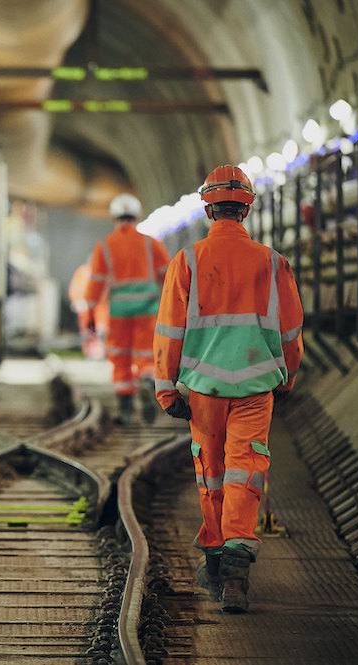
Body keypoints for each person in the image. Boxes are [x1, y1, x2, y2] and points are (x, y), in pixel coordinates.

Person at [152, 165, 303, 613]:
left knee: (212, 473)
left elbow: (168, 332)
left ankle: (216, 559)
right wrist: (287, 377)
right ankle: (236, 568)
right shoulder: (273, 262)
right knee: (247, 469)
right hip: (256, 387)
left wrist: (166, 390)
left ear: (207, 208)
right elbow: (291, 330)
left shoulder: (188, 261)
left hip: (203, 390)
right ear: (247, 209)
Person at [86, 193, 170, 424]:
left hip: (119, 312)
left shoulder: (105, 245)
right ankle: (147, 382)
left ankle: (125, 410)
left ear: (114, 218)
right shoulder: (150, 243)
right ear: (137, 216)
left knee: (120, 357)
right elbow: (168, 276)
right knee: (147, 356)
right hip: (148, 310)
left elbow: (96, 282)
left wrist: (91, 314)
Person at [67, 261, 108, 359]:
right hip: (86, 309)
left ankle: (99, 351)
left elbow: (106, 289)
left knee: (100, 331)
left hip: (100, 308)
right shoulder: (83, 272)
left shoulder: (103, 271)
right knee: (88, 332)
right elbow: (75, 288)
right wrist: (77, 300)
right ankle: (89, 351)